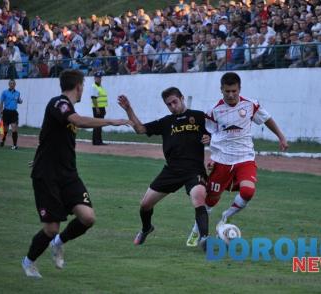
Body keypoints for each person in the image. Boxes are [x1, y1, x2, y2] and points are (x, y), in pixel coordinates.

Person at [22, 70, 131, 278]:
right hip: (48, 176)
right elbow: (78, 121)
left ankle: (58, 244)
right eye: (83, 86)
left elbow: (49, 136)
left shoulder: (67, 109)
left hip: (68, 174)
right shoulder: (59, 103)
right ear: (79, 86)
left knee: (88, 217)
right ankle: (29, 262)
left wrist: (40, 156)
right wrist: (110, 121)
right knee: (51, 227)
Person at [187, 72, 288, 246]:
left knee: (248, 192)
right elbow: (208, 133)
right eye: (227, 91)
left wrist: (281, 136)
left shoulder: (250, 105)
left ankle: (225, 217)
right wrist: (209, 149)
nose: (231, 95)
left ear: (239, 89)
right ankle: (196, 232)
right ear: (221, 90)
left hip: (245, 158)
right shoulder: (213, 111)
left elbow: (267, 119)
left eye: (234, 91)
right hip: (222, 160)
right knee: (210, 201)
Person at [117, 87, 211, 250]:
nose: (173, 106)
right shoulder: (166, 122)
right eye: (169, 104)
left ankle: (204, 238)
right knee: (145, 205)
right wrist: (128, 109)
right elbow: (140, 129)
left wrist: (211, 137)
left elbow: (217, 133)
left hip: (194, 170)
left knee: (198, 196)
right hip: (172, 171)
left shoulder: (199, 116)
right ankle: (147, 228)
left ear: (182, 98)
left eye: (175, 101)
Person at [0, 79, 22, 149]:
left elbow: (18, 101)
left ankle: (14, 145)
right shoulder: (4, 92)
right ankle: (3, 140)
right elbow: (1, 102)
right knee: (5, 129)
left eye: (13, 84)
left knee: (14, 128)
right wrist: (1, 111)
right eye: (11, 83)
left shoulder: (18, 93)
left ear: (15, 85)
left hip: (14, 113)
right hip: (6, 112)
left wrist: (20, 101)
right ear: (9, 84)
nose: (12, 85)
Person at [91, 72, 109, 145]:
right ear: (95, 78)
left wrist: (103, 108)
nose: (99, 79)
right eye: (98, 77)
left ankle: (96, 141)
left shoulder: (100, 86)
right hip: (97, 108)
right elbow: (94, 98)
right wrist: (97, 108)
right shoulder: (94, 86)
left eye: (100, 77)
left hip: (101, 107)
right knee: (98, 124)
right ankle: (97, 141)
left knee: (99, 124)